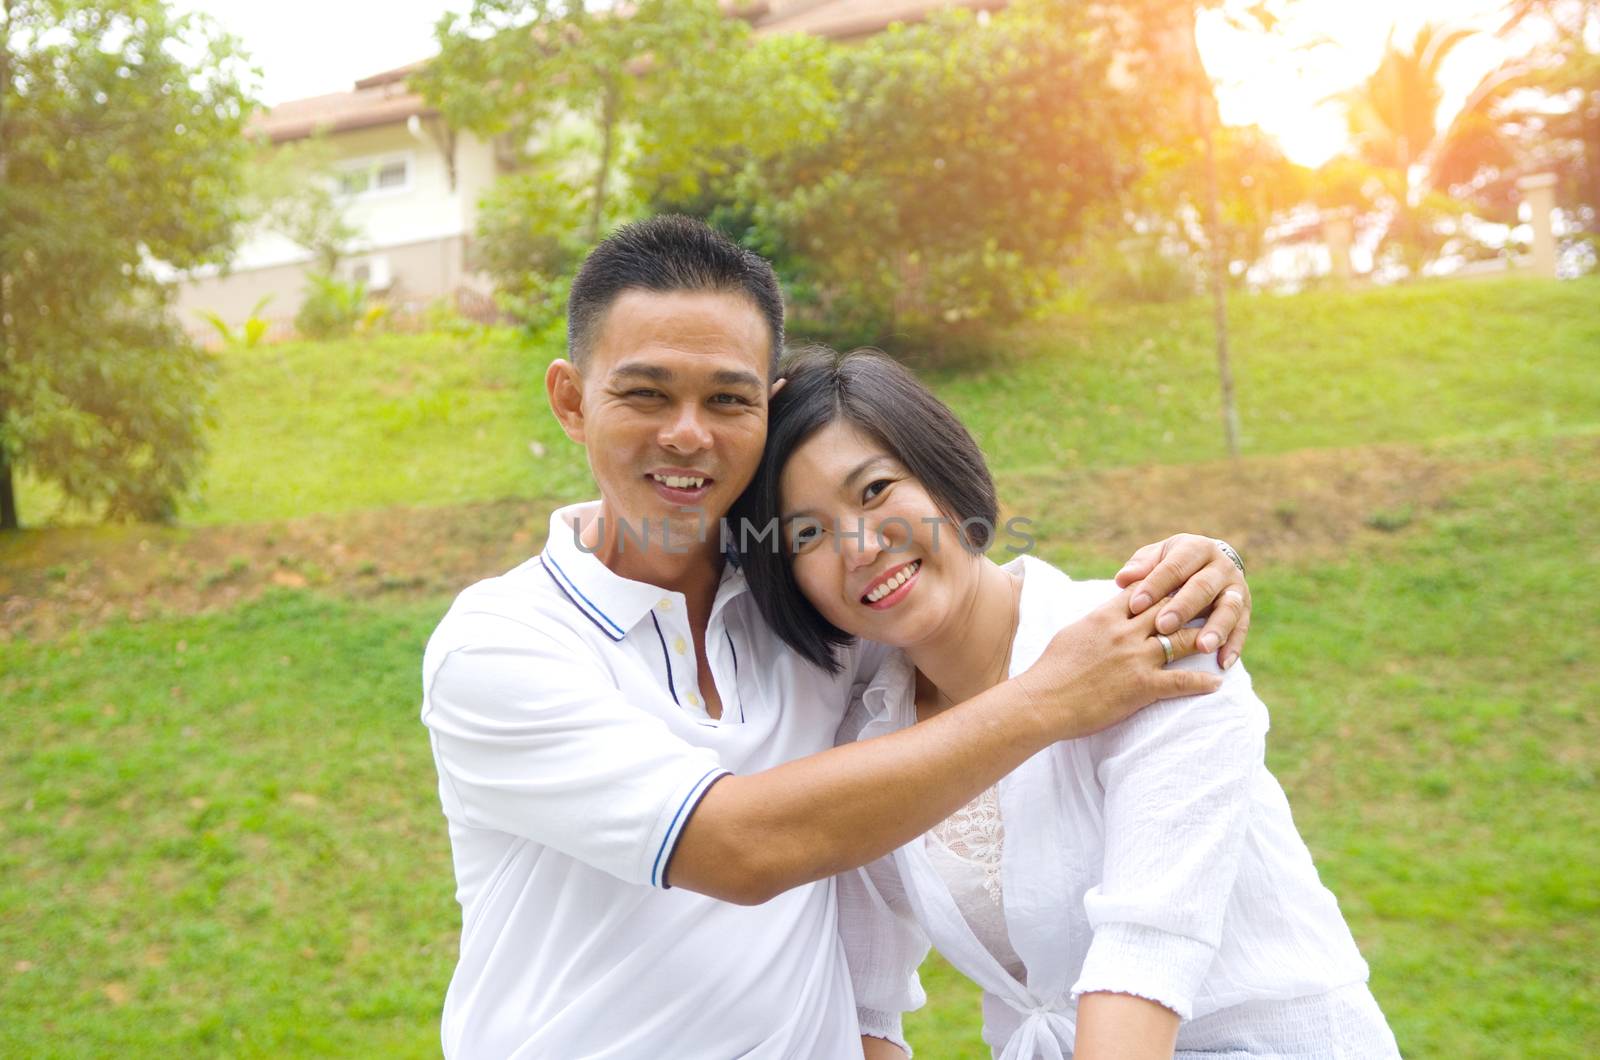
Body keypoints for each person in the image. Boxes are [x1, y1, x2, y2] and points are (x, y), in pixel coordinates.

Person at [420, 216, 1256, 1058]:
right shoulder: (499, 647)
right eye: (645, 393)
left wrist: (1206, 562)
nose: (687, 432)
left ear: (766, 408)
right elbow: (739, 846)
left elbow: (960, 593)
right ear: (570, 399)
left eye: (726, 399)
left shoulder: (814, 615)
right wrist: (1049, 699)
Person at [733, 347, 1400, 1060]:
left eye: (874, 492)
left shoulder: (1155, 639)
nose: (860, 546)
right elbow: (866, 1007)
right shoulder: (870, 734)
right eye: (808, 534)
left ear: (942, 474)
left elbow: (1146, 956)